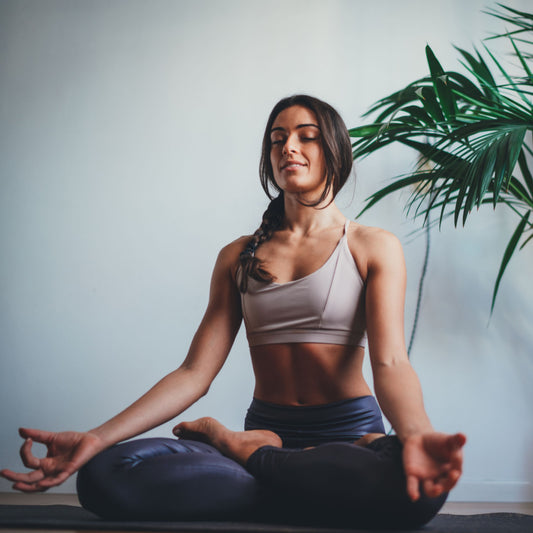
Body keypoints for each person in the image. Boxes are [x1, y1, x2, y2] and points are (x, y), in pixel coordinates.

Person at [1, 95, 465, 529]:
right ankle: (290, 478)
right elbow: (193, 373)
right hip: (272, 429)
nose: (289, 146)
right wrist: (96, 438)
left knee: (419, 492)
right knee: (105, 475)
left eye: (306, 136)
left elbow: (391, 362)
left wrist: (417, 436)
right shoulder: (237, 256)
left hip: (348, 436)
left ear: (336, 151)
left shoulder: (372, 246)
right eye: (278, 138)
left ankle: (246, 457)